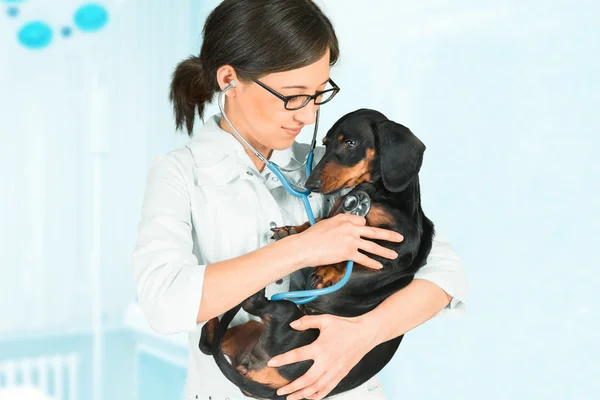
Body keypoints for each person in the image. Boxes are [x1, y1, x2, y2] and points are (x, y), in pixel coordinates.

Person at [132, 1, 468, 399]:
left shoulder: (330, 167)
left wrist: (361, 335)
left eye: (317, 95)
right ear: (229, 79)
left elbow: (445, 273)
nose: (308, 116)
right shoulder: (179, 174)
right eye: (293, 96)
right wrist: (302, 248)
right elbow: (164, 303)